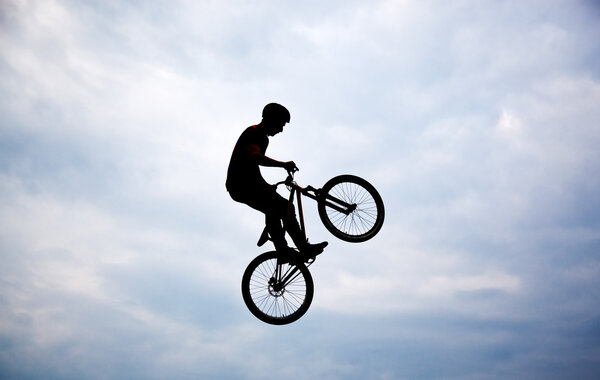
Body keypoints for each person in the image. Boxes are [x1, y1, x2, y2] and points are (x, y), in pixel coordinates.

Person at [226, 103, 328, 259]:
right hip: (240, 186)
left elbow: (251, 167)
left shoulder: (262, 138)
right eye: (281, 124)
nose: (281, 130)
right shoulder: (254, 133)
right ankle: (289, 248)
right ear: (272, 119)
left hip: (246, 184)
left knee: (278, 207)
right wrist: (283, 164)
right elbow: (255, 158)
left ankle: (281, 241)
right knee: (282, 207)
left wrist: (265, 186)